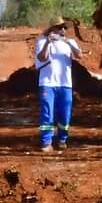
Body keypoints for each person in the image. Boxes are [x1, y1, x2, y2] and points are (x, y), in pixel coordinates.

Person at [34, 21, 81, 151]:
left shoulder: (69, 43)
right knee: (47, 113)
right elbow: (42, 58)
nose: (62, 30)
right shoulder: (42, 41)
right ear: (52, 28)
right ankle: (46, 142)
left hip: (65, 84)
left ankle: (62, 140)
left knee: (65, 114)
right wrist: (48, 42)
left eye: (64, 27)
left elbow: (79, 55)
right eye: (59, 27)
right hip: (47, 83)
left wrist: (68, 43)